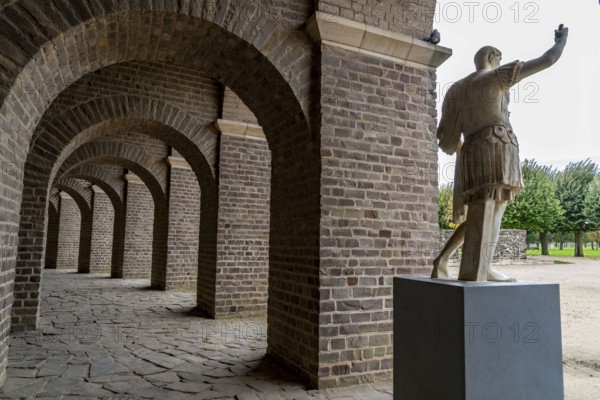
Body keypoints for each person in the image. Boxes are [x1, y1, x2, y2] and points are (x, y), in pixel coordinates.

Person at [432, 24, 569, 281]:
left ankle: (443, 260)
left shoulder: (456, 90)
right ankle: (480, 270)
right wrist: (562, 40)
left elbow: (445, 137)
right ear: (492, 58)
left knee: (479, 209)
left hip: (472, 149)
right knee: (494, 209)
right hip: (497, 144)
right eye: (499, 59)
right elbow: (548, 60)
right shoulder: (495, 76)